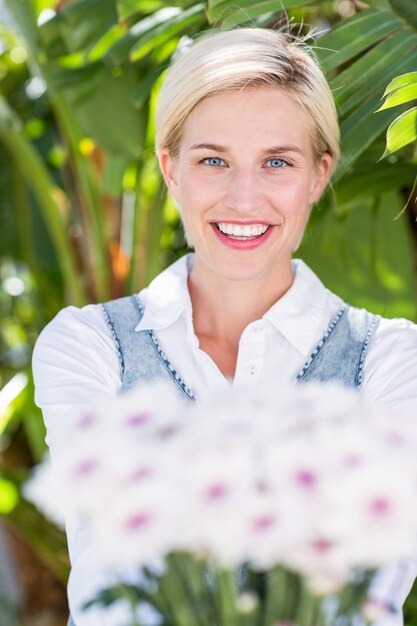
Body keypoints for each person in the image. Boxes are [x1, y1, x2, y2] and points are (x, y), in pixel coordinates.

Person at [32, 27, 417, 626]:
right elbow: (114, 575)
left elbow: (368, 590)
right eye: (213, 160)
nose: (244, 197)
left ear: (318, 175)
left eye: (277, 162)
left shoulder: (395, 361)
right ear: (170, 168)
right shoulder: (87, 346)